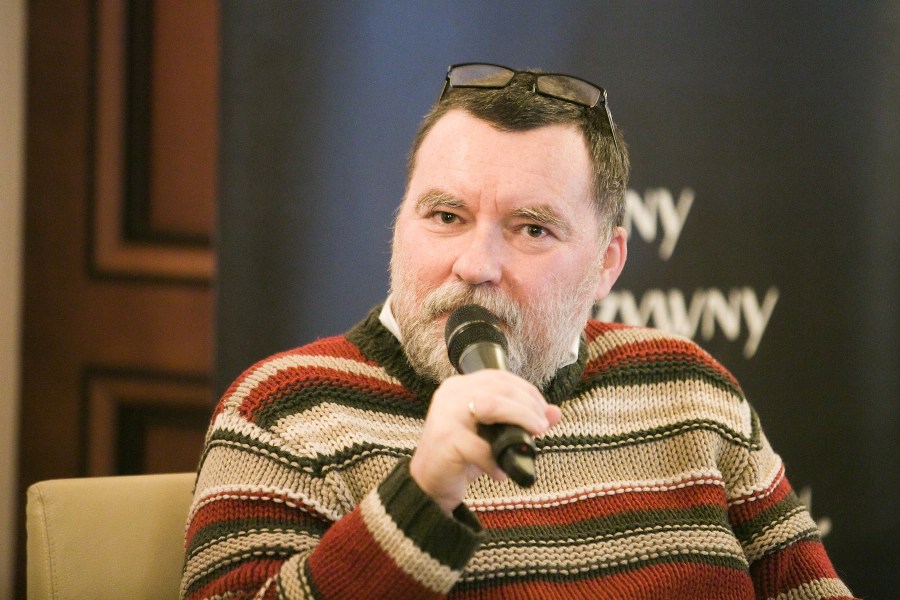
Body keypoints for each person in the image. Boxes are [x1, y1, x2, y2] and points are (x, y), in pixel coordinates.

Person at [180, 63, 854, 599]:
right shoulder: (284, 410)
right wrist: (421, 497)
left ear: (607, 263)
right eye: (446, 217)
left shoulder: (690, 388)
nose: (476, 266)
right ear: (399, 224)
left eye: (531, 228)